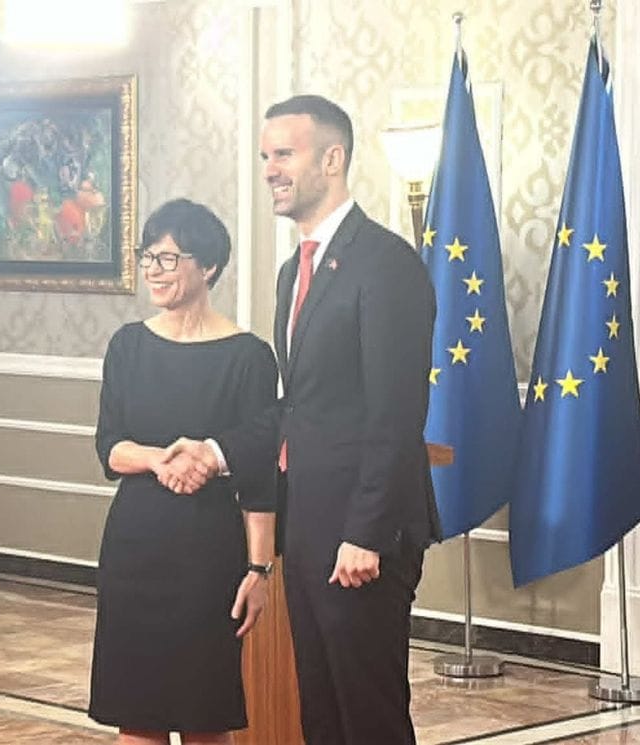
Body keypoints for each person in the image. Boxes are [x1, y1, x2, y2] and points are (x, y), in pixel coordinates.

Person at [178, 95, 441, 744]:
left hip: (361, 535)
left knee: (369, 719)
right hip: (309, 527)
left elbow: (396, 413)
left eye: (284, 154)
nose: (270, 168)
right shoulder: (292, 272)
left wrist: (366, 533)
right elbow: (299, 406)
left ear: (332, 159)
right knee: (320, 714)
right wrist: (216, 449)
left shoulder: (386, 264)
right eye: (265, 156)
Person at [89, 198, 278, 745]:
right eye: (147, 257)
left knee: (205, 716)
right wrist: (159, 459)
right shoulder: (128, 346)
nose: (153, 270)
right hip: (134, 550)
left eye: (168, 258)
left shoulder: (249, 357)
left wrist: (259, 570)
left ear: (208, 266)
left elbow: (259, 477)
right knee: (136, 714)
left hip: (208, 556)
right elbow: (109, 448)